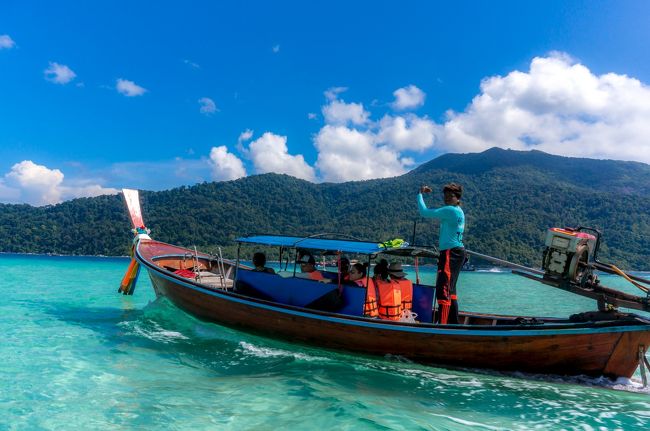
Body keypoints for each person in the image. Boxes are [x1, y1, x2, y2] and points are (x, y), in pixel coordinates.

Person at [418, 183, 466, 324]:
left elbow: (424, 212)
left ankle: (443, 326)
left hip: (450, 252)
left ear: (457, 198)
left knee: (443, 290)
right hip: (456, 251)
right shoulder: (458, 211)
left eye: (450, 196)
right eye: (445, 196)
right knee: (451, 290)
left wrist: (419, 194)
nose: (447, 198)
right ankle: (453, 323)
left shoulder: (451, 210)